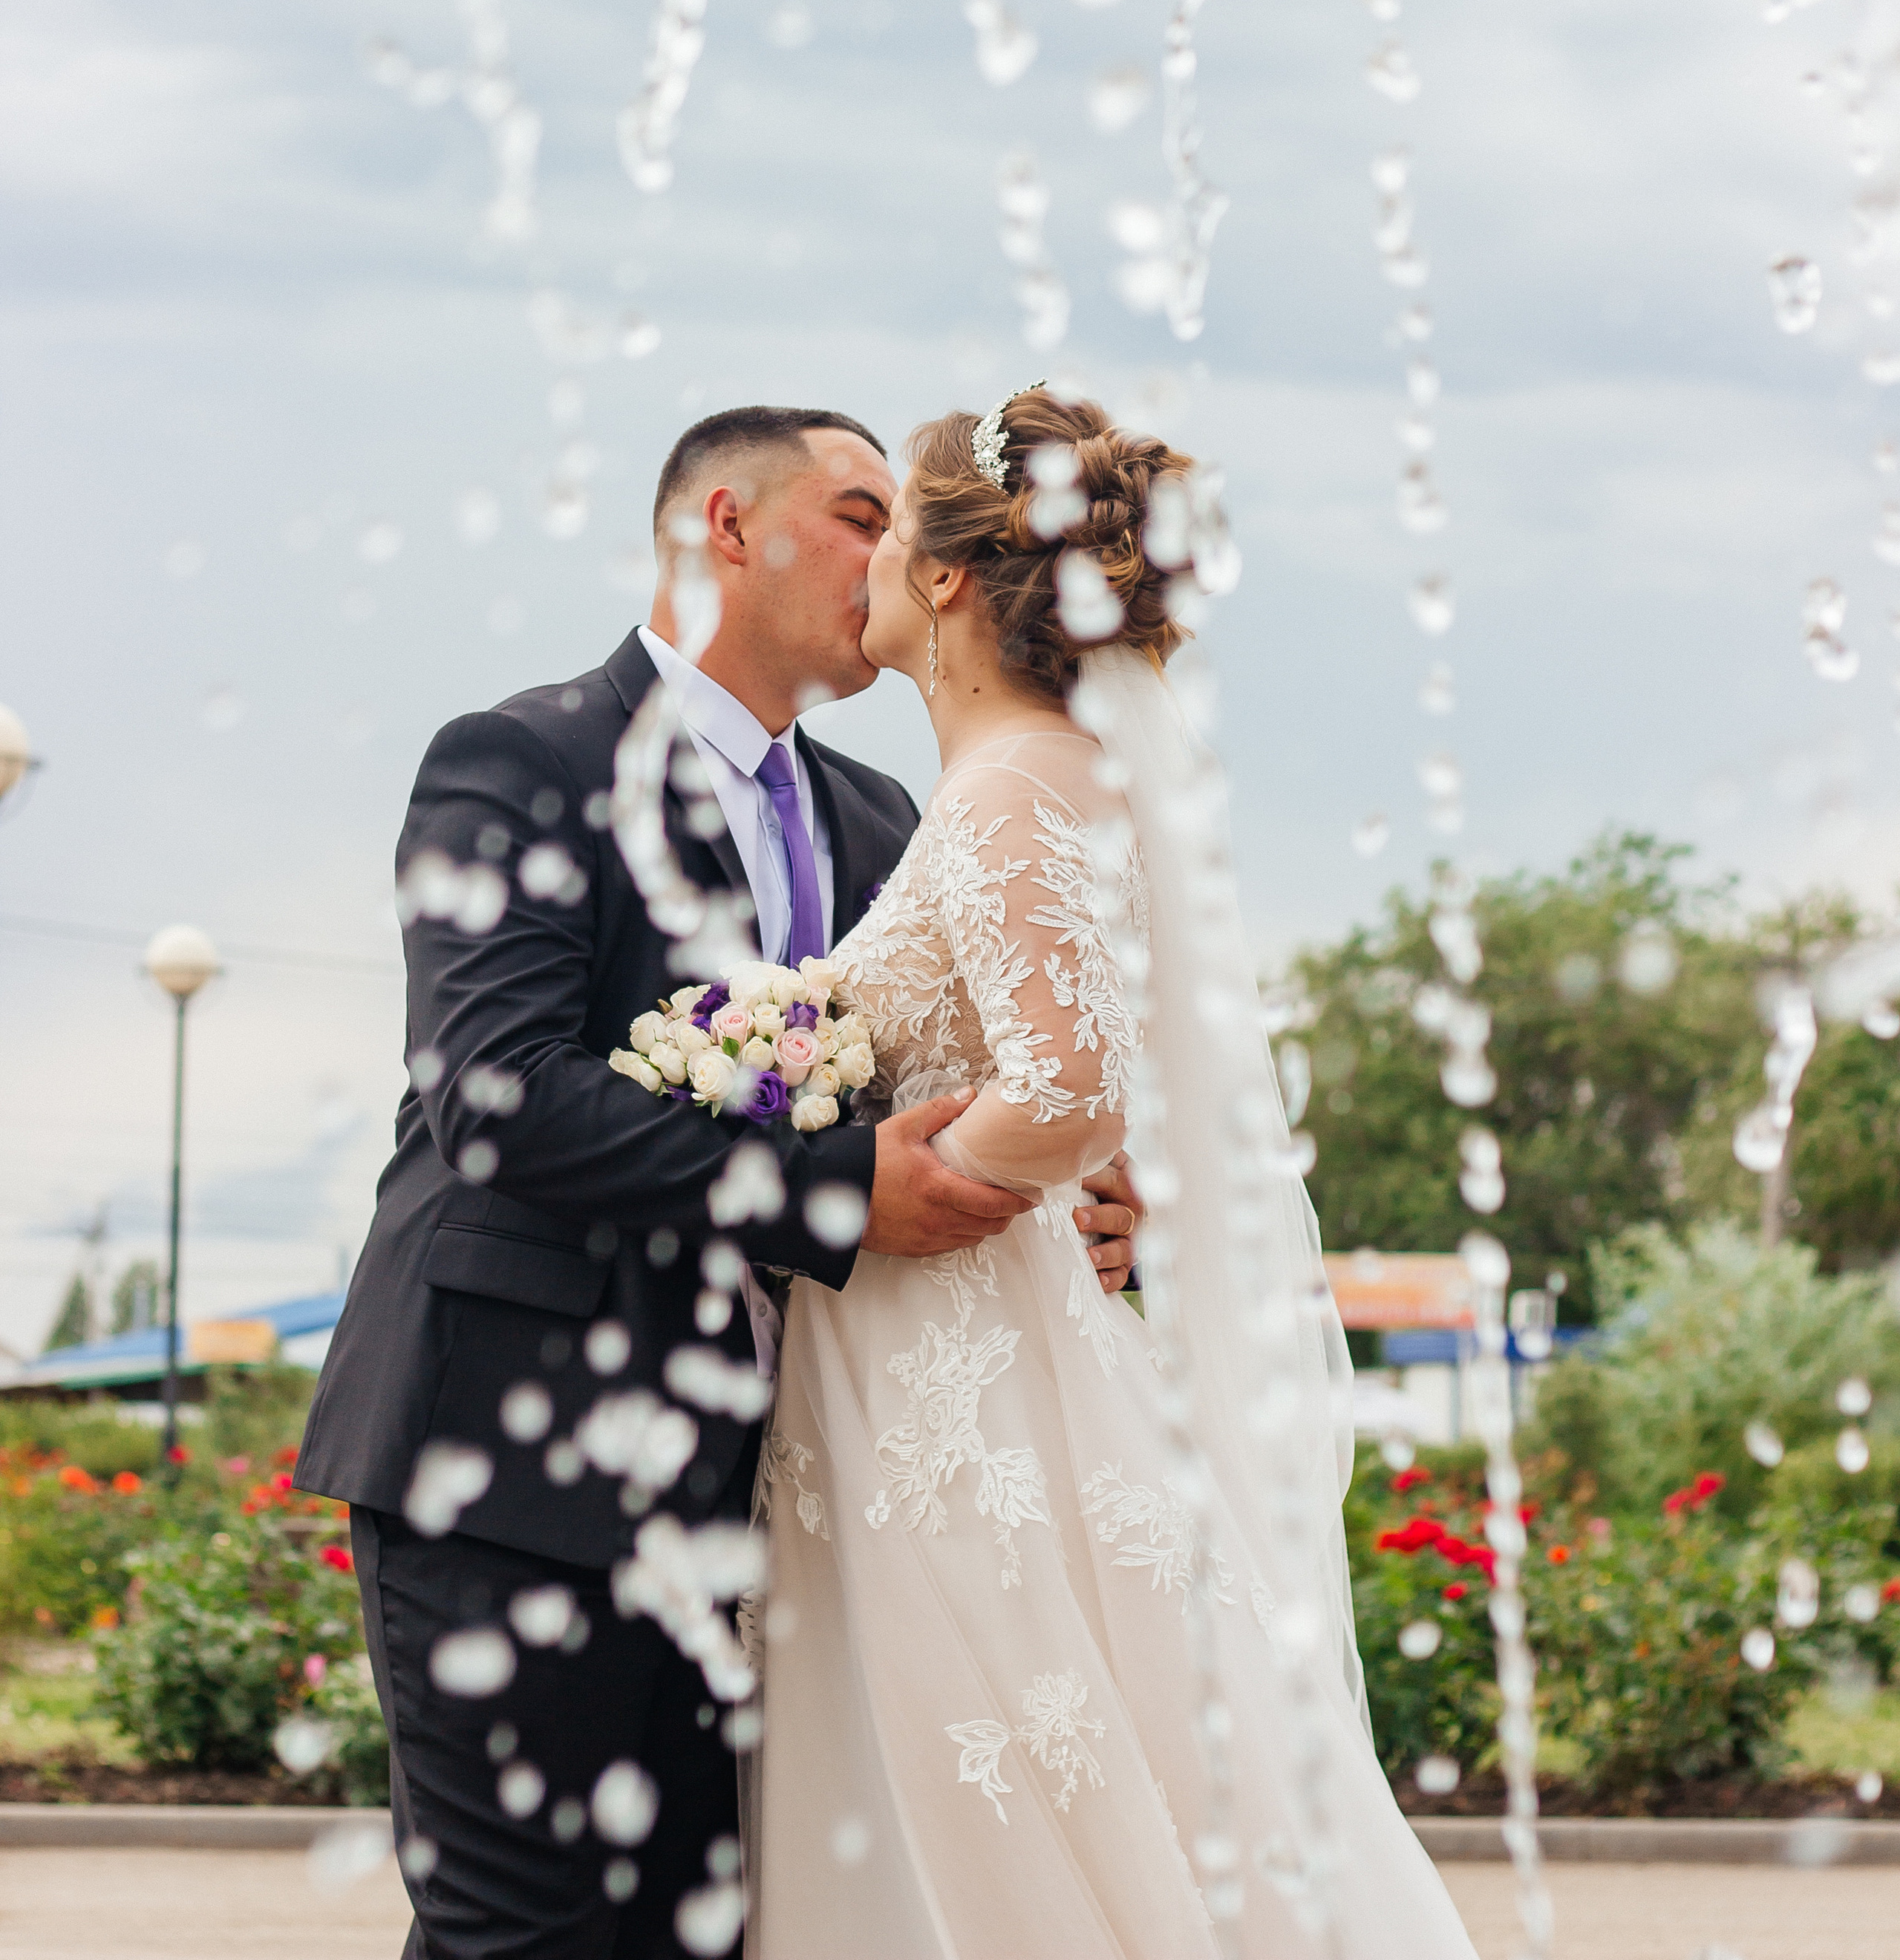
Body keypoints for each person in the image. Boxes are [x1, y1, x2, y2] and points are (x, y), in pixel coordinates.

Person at [296, 403, 1140, 1960]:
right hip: (514, 1461)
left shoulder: (889, 816)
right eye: (855, 510)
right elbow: (500, 1096)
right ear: (723, 529)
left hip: (785, 1491)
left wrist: (1068, 1185)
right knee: (525, 1938)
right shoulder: (523, 757)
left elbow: (954, 1102)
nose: (893, 550)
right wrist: (833, 1191)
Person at [748, 389, 1480, 1959]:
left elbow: (1067, 1089)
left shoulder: (1006, 785)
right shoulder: (1047, 777)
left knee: (996, 1760)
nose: (864, 564)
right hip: (989, 1339)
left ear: (947, 582)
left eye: (889, 532)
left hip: (951, 1343)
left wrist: (907, 1190)